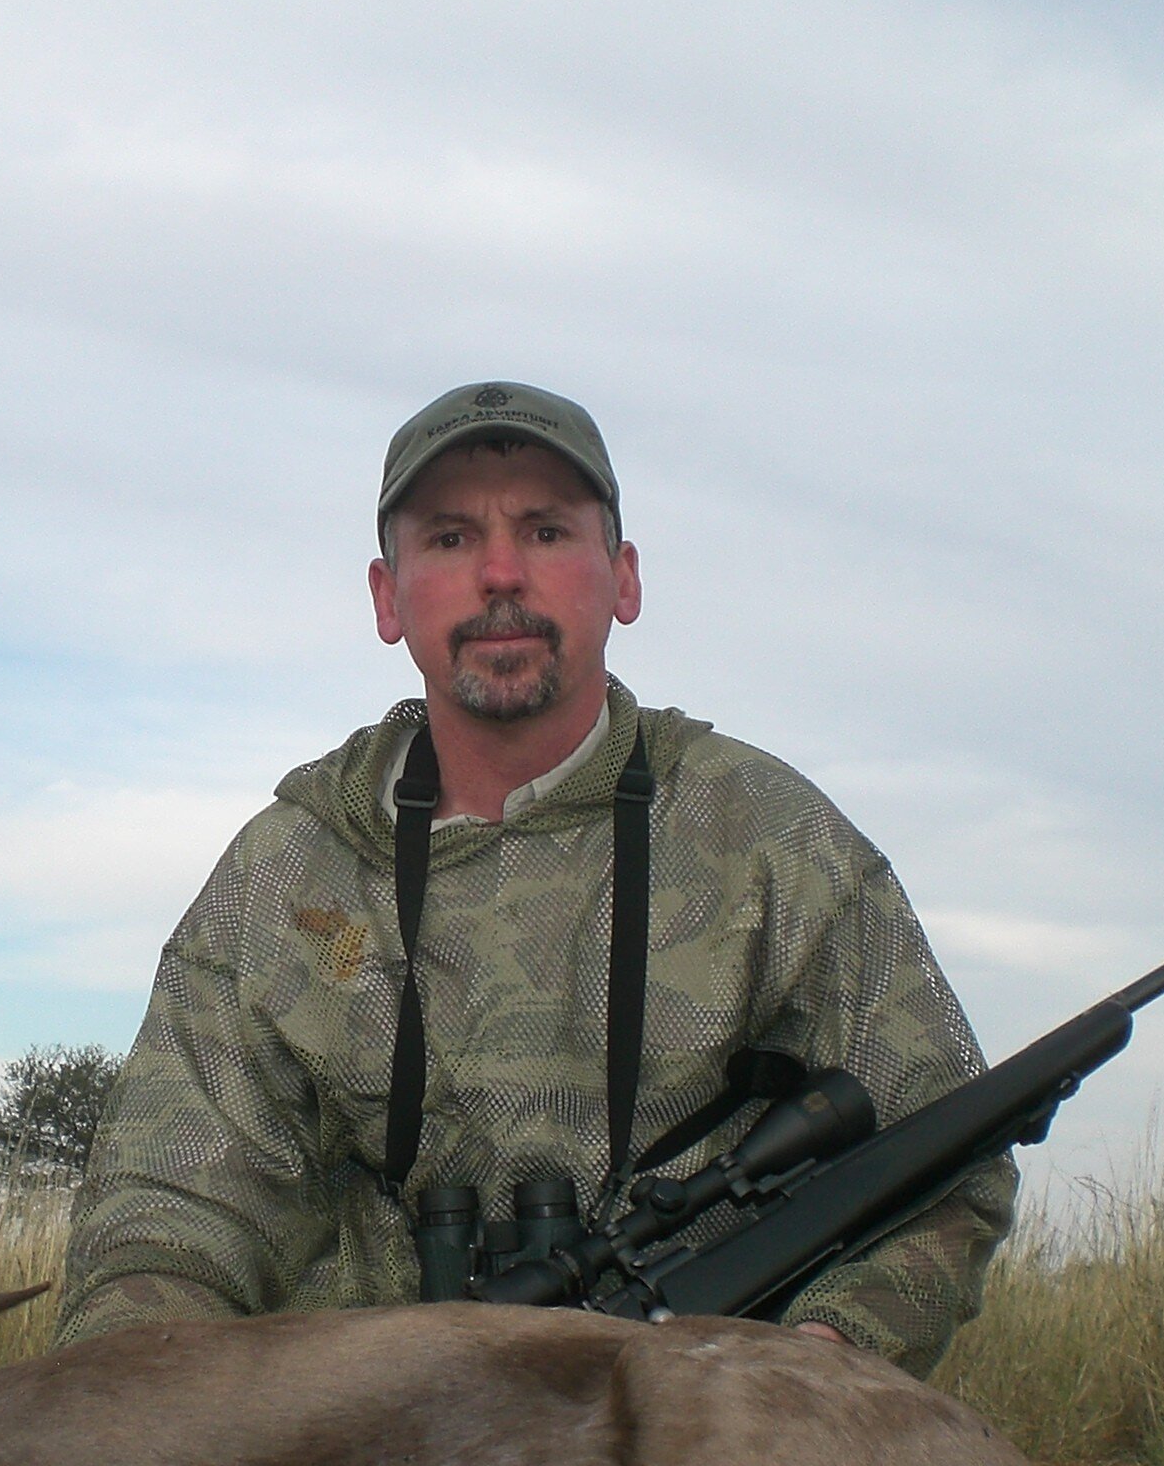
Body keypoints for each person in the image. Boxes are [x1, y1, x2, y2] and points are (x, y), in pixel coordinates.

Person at [57, 381, 1014, 1373]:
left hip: (701, 1432)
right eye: (449, 538)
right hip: (355, 1450)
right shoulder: (284, 877)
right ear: (387, 598)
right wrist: (141, 1392)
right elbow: (167, 1212)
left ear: (622, 580)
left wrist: (815, 1362)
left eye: (547, 531)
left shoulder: (771, 841)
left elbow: (939, 1155)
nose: (500, 574)